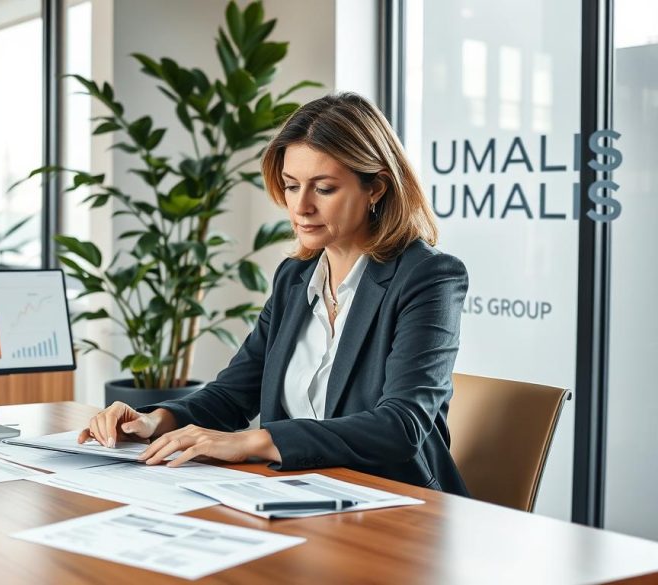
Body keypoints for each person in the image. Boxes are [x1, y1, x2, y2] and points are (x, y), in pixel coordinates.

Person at [78, 92, 470, 495]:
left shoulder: (428, 277)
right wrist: (152, 421)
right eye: (291, 185)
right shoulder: (295, 277)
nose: (300, 207)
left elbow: (400, 426)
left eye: (324, 188)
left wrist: (252, 441)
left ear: (376, 188)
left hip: (396, 503)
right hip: (295, 494)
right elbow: (233, 394)